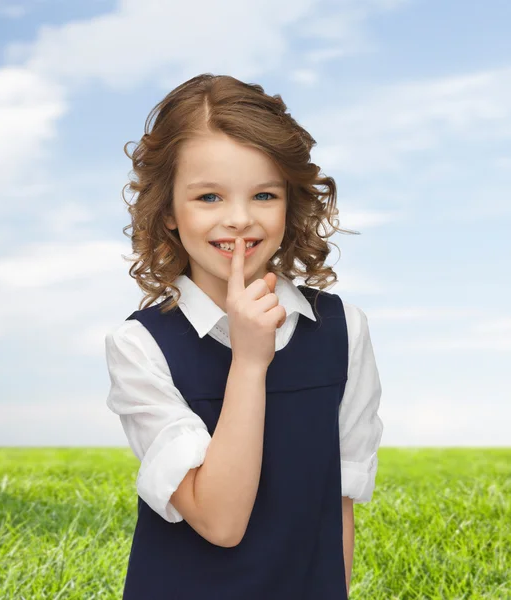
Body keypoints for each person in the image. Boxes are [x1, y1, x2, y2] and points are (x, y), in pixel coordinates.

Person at [105, 73, 384, 600]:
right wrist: (250, 363)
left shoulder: (343, 331)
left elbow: (339, 503)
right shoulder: (140, 347)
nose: (238, 219)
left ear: (289, 203)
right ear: (167, 211)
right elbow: (220, 521)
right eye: (209, 196)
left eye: (262, 194)